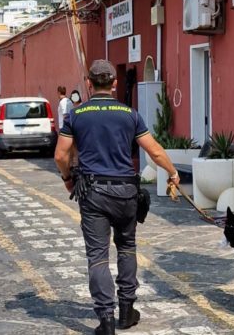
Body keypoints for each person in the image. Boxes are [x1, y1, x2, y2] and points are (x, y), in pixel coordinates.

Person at [54, 60, 180, 335]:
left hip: (93, 193)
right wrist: (172, 173)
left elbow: (61, 155)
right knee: (127, 248)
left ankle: (106, 319)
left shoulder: (76, 115)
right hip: (126, 193)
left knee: (98, 255)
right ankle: (126, 310)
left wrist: (67, 178)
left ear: (89, 84)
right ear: (114, 83)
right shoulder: (130, 114)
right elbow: (154, 151)